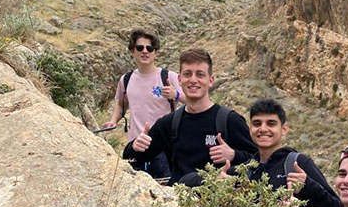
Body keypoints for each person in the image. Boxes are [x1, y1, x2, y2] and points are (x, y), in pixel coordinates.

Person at [123, 47, 256, 185]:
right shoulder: (169, 123)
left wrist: (234, 155)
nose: (193, 80)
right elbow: (133, 158)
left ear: (211, 80)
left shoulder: (229, 120)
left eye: (200, 74)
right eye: (187, 74)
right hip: (178, 201)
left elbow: (258, 160)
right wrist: (135, 146)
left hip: (216, 202)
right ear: (180, 80)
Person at [102, 29, 181, 179]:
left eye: (150, 48)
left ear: (155, 52)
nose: (145, 51)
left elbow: (192, 101)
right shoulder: (126, 80)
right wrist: (113, 121)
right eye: (140, 48)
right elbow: (121, 106)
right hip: (136, 146)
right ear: (132, 51)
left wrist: (176, 94)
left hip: (164, 149)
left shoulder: (169, 77)